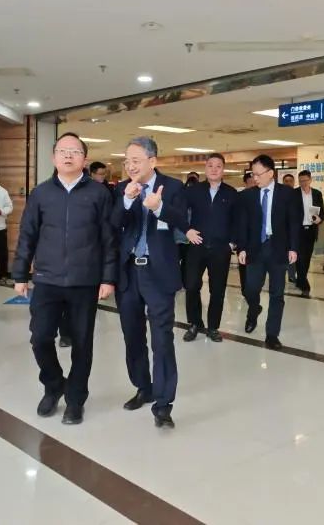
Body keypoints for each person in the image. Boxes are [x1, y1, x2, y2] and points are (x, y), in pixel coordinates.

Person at [13, 133, 117, 425]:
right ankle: (54, 384)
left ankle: (75, 399)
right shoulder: (41, 193)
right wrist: (20, 273)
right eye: (62, 151)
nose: (68, 155)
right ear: (53, 157)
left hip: (85, 281)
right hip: (47, 279)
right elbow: (27, 235)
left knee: (82, 343)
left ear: (85, 158)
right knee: (40, 337)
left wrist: (108, 278)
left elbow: (109, 240)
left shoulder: (99, 194)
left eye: (74, 151)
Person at [112, 136, 189, 429]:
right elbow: (112, 224)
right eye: (126, 161)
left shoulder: (174, 187)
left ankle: (163, 403)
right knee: (132, 335)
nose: (130, 166)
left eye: (136, 161)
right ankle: (143, 387)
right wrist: (127, 200)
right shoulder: (122, 189)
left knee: (162, 339)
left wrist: (159, 208)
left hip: (159, 274)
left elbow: (183, 221)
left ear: (152, 161)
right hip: (128, 272)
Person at [237, 155, 301, 350]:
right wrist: (241, 248)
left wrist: (293, 247)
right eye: (253, 174)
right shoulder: (247, 196)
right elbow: (242, 224)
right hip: (255, 249)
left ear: (271, 173)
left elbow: (294, 222)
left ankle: (272, 334)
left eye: (258, 174)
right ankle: (253, 310)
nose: (255, 178)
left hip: (278, 248)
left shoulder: (287, 194)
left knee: (277, 293)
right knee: (250, 288)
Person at [183, 153, 238, 343]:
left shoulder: (231, 193)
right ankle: (194, 323)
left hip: (220, 249)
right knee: (191, 286)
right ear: (205, 168)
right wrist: (187, 229)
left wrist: (232, 243)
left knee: (217, 289)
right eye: (210, 166)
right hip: (196, 246)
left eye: (218, 166)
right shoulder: (193, 191)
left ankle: (213, 327)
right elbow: (179, 212)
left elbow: (238, 221)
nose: (214, 169)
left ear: (223, 169)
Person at [294, 170, 324, 297]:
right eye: (301, 181)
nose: (303, 183)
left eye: (305, 180)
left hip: (311, 230)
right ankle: (304, 285)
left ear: (310, 180)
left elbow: (322, 211)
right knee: (299, 258)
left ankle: (300, 279)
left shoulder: (317, 194)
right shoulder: (294, 193)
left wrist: (320, 219)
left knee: (306, 258)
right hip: (298, 230)